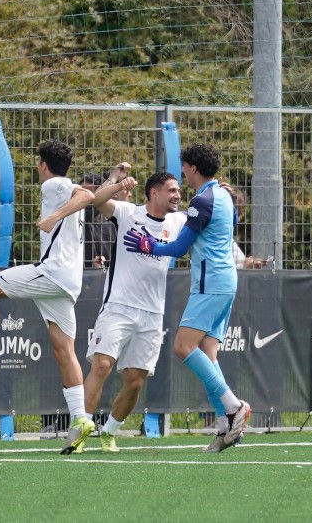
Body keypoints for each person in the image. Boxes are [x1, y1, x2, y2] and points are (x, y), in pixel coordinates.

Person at [0, 140, 97, 455]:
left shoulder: (54, 185)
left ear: (43, 164)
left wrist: (52, 217)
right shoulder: (66, 187)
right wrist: (116, 182)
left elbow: (87, 196)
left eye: (37, 162)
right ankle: (80, 419)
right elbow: (90, 195)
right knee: (64, 350)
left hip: (53, 273)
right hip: (69, 281)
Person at [124, 143, 251, 453]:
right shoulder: (222, 194)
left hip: (210, 283)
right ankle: (225, 426)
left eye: (183, 167)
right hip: (225, 281)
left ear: (193, 168)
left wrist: (149, 246)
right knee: (208, 354)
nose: (182, 173)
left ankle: (234, 406)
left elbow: (179, 248)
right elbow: (232, 223)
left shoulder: (203, 200)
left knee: (183, 346)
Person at [78, 171, 185, 453]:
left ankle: (109, 432)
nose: (177, 195)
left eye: (178, 190)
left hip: (152, 313)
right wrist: (116, 181)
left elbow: (212, 220)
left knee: (135, 381)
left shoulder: (178, 221)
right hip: (119, 307)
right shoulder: (128, 213)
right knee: (101, 365)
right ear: (154, 193)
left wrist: (224, 197)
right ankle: (79, 431)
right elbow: (96, 199)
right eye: (172, 190)